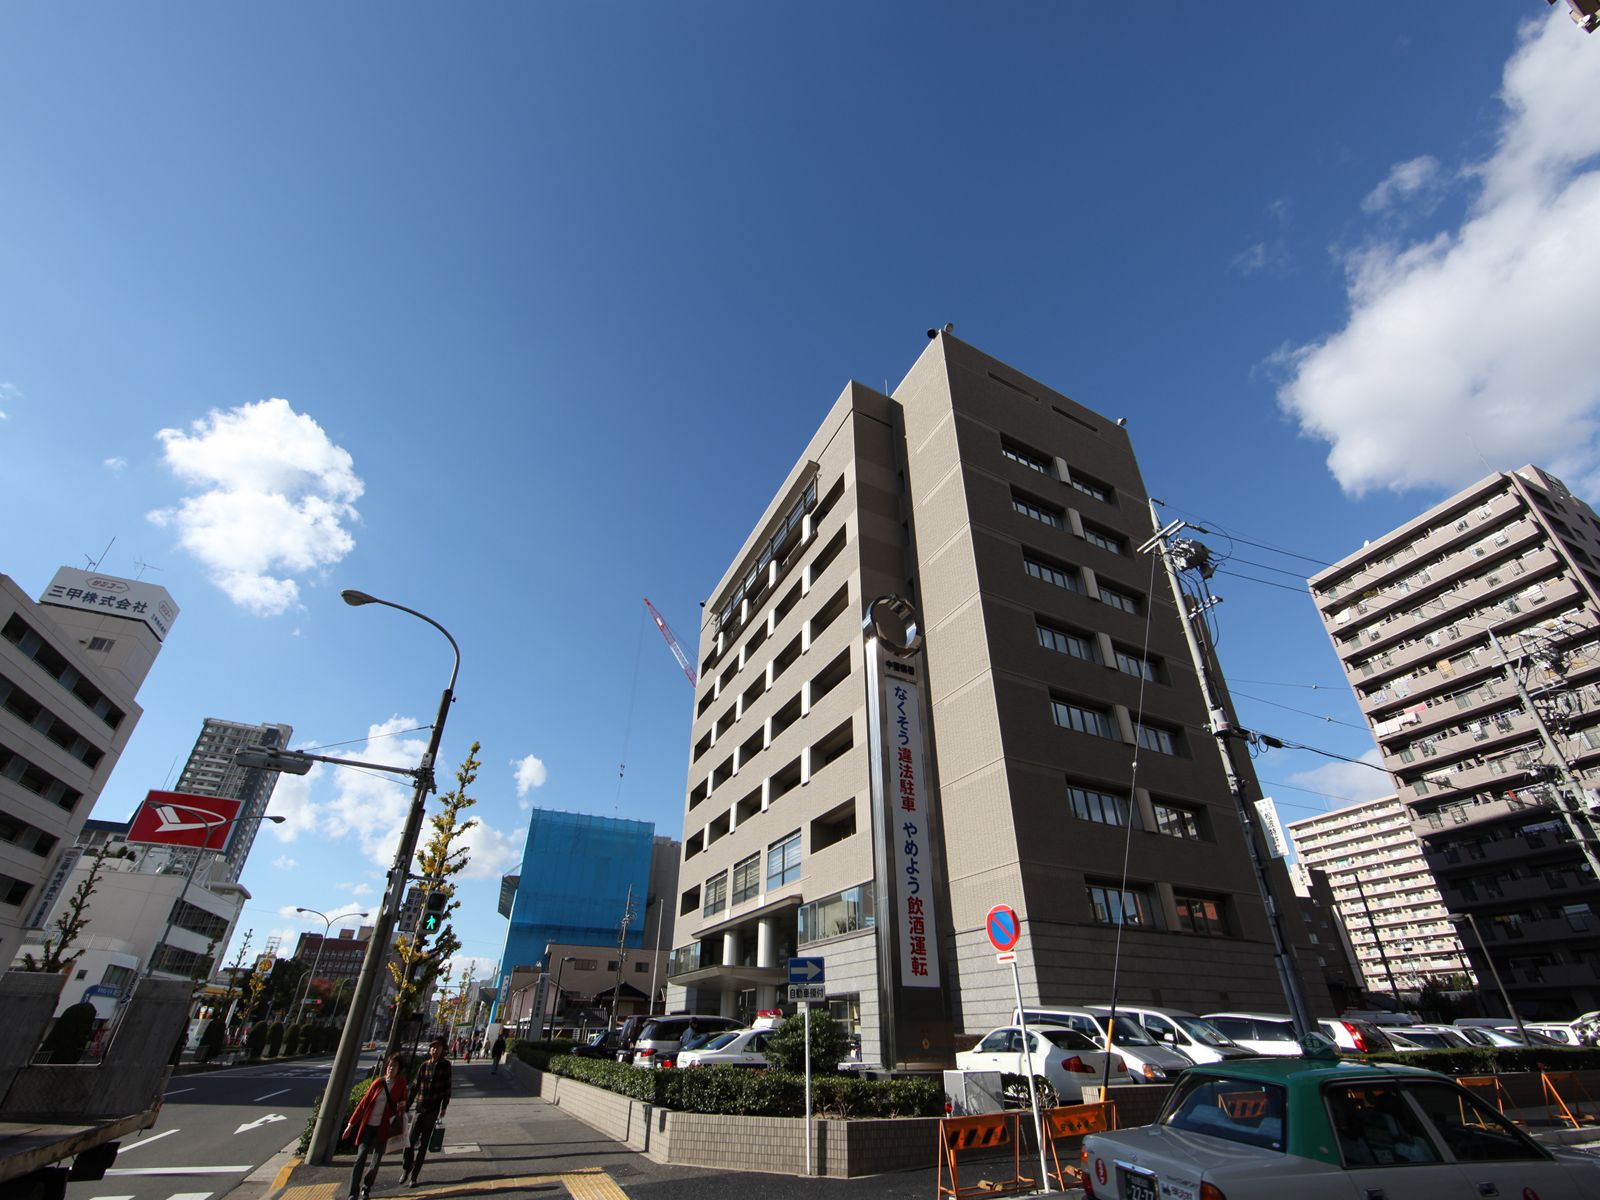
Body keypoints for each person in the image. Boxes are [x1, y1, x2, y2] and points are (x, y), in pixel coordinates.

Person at [343, 1054, 408, 1200]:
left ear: (399, 1069)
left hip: (384, 1128)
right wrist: (350, 1125)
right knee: (360, 1157)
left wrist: (401, 1107)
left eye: (395, 1066)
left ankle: (366, 1188)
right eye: (390, 1065)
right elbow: (363, 1104)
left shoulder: (400, 1084)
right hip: (368, 1126)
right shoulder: (378, 1083)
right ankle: (353, 1193)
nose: (391, 1068)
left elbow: (404, 1102)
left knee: (376, 1161)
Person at [400, 1037, 452, 1188]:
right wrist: (407, 1106)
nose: (435, 1050)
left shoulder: (446, 1066)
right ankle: (406, 1168)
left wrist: (444, 1106)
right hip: (420, 1108)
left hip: (433, 1109)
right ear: (430, 1050)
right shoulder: (424, 1065)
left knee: (423, 1145)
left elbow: (447, 1087)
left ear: (442, 1050)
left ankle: (414, 1176)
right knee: (409, 1141)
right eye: (433, 1047)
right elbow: (415, 1087)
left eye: (438, 1048)